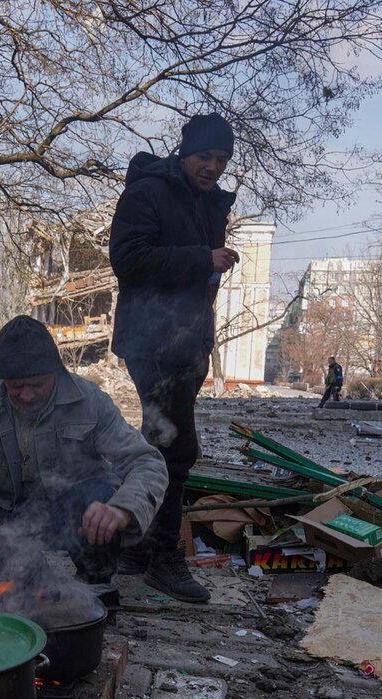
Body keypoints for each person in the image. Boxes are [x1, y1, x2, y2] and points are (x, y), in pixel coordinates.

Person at [0, 316, 167, 605]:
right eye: (16, 387)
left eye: (37, 384)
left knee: (100, 497)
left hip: (67, 519)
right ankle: (31, 581)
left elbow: (146, 462)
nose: (27, 395)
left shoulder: (89, 400)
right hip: (9, 518)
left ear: (56, 371)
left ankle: (95, 585)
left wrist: (122, 509)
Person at [108, 113, 239, 603]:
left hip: (187, 341)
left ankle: (137, 548)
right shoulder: (148, 192)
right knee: (176, 449)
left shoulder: (208, 203)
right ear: (185, 151)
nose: (212, 167)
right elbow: (128, 258)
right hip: (152, 341)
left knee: (158, 444)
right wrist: (200, 258)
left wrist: (213, 265)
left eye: (221, 159)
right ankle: (163, 558)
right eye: (205, 155)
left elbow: (191, 274)